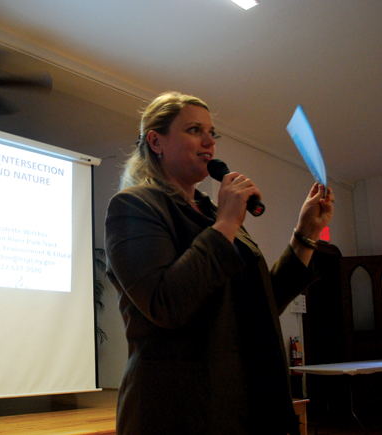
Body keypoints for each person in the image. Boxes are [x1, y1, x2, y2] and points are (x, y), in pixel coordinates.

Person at [104, 91, 334, 435]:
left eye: (212, 133)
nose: (209, 141)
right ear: (156, 141)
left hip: (243, 400)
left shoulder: (215, 213)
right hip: (178, 409)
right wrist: (226, 223)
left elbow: (261, 302)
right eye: (194, 130)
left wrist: (305, 234)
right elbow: (166, 304)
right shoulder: (134, 206)